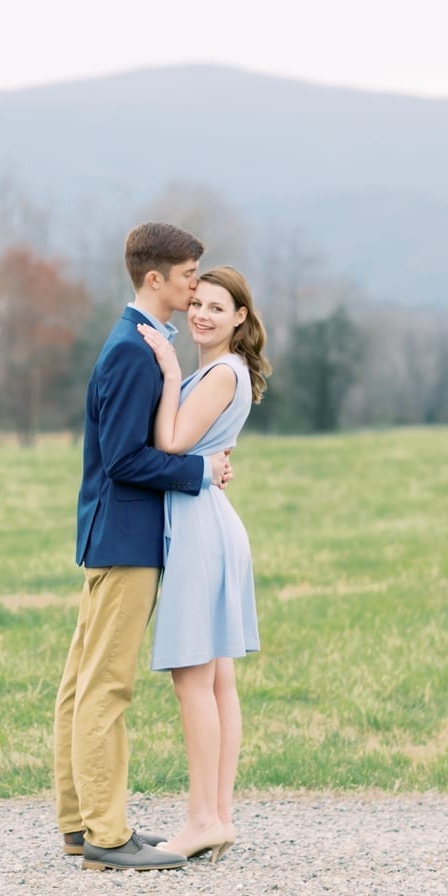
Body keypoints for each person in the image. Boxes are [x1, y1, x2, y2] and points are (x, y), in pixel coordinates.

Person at [54, 222, 234, 872]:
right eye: (188, 275)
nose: (195, 288)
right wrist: (199, 472)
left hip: (112, 533)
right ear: (154, 279)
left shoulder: (137, 341)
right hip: (128, 538)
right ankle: (105, 834)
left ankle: (80, 824)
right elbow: (128, 459)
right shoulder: (133, 350)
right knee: (106, 688)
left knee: (81, 684)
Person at [136, 265, 270, 864]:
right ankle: (217, 816)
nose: (202, 314)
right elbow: (202, 446)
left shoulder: (218, 373)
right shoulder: (222, 372)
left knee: (194, 677)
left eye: (218, 307)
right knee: (216, 679)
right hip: (212, 520)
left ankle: (202, 819)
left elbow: (169, 443)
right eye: (199, 303)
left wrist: (167, 371)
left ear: (240, 317)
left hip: (200, 529)